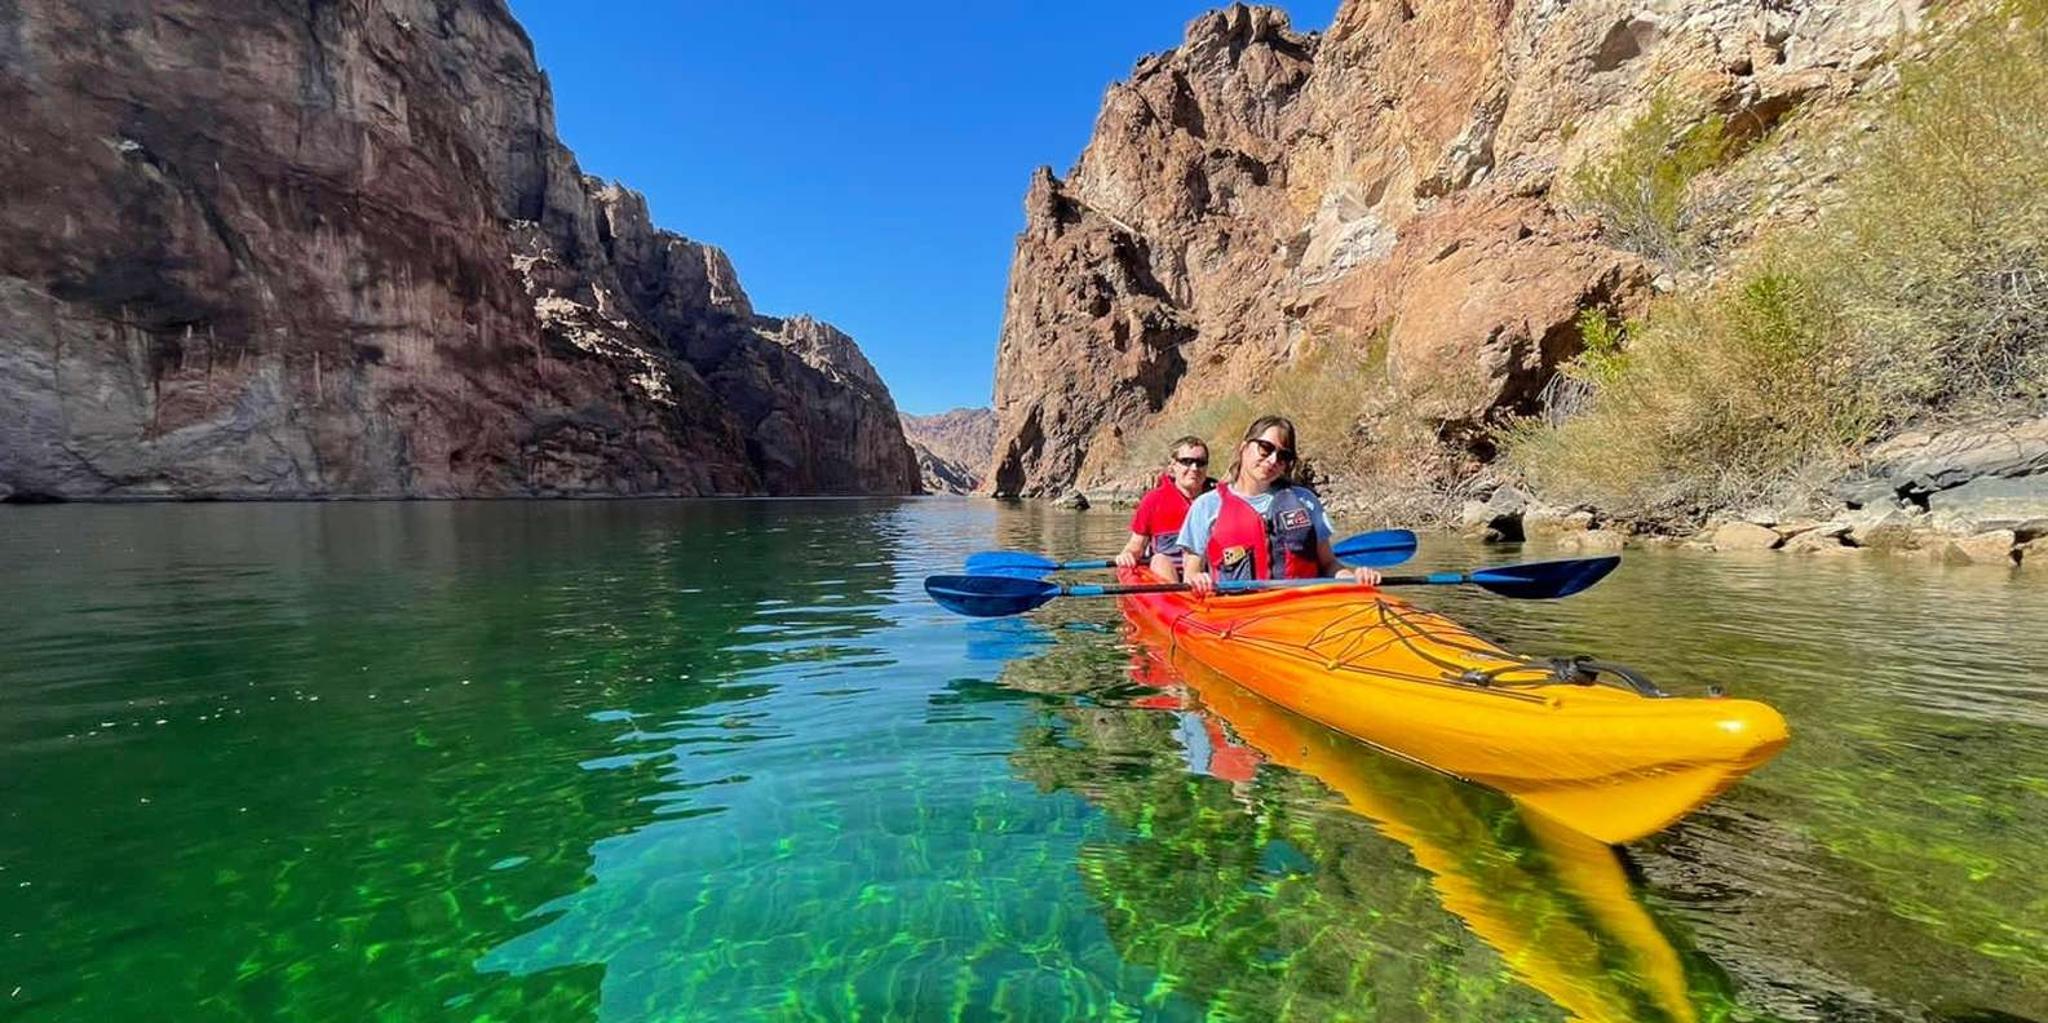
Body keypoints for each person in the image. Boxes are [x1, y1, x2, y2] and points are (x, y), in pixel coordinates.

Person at [1178, 415, 1381, 596]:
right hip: (1237, 613)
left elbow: (1329, 565)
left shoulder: (1305, 501)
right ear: (1244, 448)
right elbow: (1192, 573)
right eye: (1265, 449)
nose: (1273, 460)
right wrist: (1197, 579)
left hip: (1304, 608)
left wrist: (1355, 578)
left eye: (1284, 456)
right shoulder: (1207, 506)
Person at [1113, 435, 1213, 578]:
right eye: (1186, 462)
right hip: (1167, 574)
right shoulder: (1153, 500)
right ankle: (1178, 597)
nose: (1194, 468)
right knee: (1159, 560)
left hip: (1207, 575)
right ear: (1172, 466)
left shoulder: (1219, 499)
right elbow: (1136, 544)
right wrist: (1128, 554)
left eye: (1200, 462)